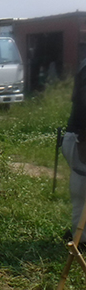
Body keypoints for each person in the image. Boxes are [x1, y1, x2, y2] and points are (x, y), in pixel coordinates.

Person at [62, 58, 86, 244]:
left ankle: (79, 237)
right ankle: (81, 240)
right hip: (81, 139)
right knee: (81, 191)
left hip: (78, 137)